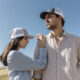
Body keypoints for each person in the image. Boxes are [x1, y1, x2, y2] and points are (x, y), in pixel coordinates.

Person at [33, 8, 80, 80]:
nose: (46, 20)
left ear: (60, 18)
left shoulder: (76, 40)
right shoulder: (42, 41)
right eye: (45, 18)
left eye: (49, 16)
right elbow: (37, 71)